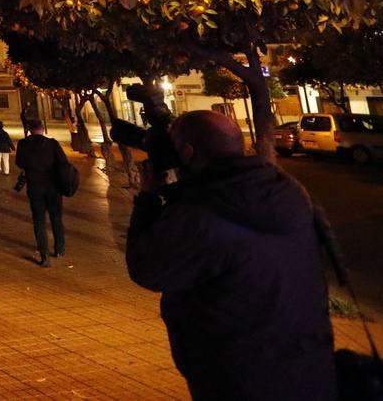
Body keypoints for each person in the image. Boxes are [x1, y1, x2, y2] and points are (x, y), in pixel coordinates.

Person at [126, 111, 336, 400]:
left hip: (236, 375)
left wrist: (148, 197)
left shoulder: (203, 209)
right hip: (309, 363)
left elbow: (146, 267)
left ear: (187, 152)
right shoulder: (285, 189)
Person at [15, 118, 67, 266]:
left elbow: (19, 162)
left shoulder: (23, 144)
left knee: (39, 220)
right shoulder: (52, 143)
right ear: (42, 129)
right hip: (53, 187)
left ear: (30, 129)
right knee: (56, 218)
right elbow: (63, 162)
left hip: (35, 187)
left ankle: (44, 254)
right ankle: (60, 248)